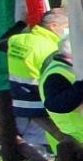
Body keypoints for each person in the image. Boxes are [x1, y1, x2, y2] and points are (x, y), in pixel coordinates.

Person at [6, 10, 69, 149]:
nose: (68, 30)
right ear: (53, 26)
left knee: (24, 134)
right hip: (38, 102)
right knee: (38, 140)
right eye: (66, 26)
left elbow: (1, 44)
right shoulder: (51, 48)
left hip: (17, 97)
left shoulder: (15, 40)